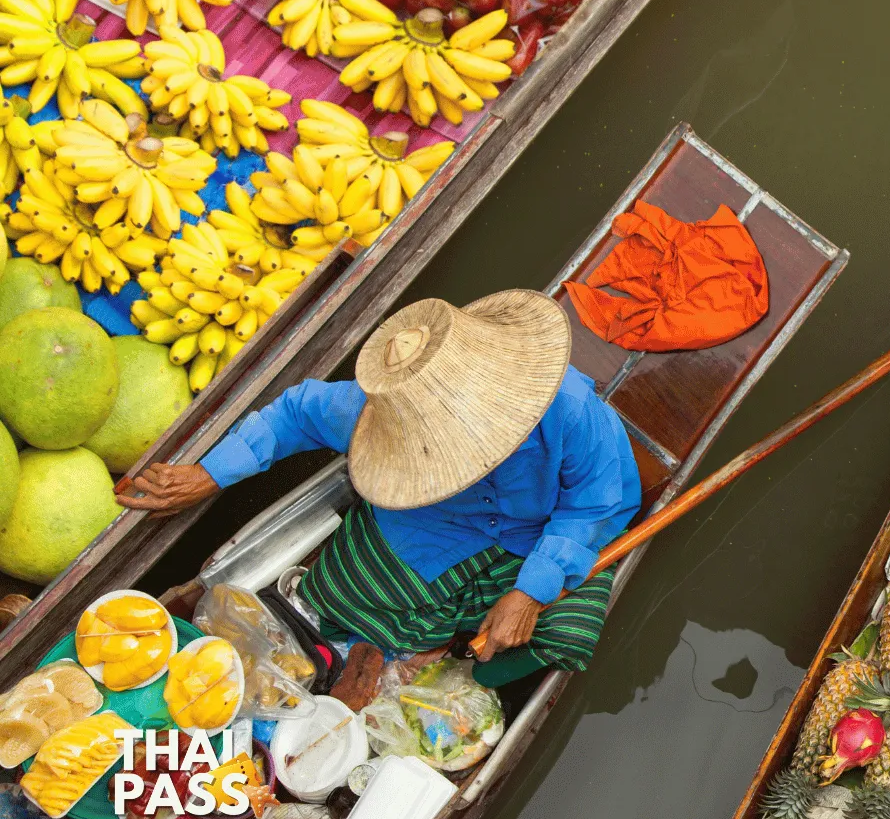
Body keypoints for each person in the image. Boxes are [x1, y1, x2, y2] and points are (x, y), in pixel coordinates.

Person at [120, 290, 642, 688]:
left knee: (568, 627)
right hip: (435, 524)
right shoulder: (376, 414)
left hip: (543, 531)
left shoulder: (571, 411)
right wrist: (210, 474)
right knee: (339, 595)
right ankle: (414, 646)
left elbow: (595, 504)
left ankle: (449, 648)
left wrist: (530, 590)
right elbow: (295, 412)